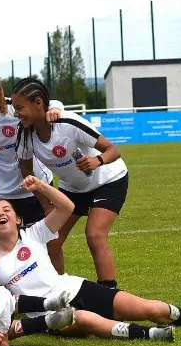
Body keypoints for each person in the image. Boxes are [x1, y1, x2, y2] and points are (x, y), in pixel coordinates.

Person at [0, 175, 181, 342]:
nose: (1, 214)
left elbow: (67, 208)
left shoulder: (33, 234)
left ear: (17, 219)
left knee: (151, 308)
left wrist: (41, 186)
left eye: (6, 210)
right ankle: (150, 334)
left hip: (75, 287)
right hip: (47, 314)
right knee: (85, 318)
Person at [12, 78, 129, 289]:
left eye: (20, 107)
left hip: (108, 179)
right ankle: (58, 292)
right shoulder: (25, 133)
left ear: (38, 103)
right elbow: (26, 170)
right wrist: (47, 203)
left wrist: (96, 161)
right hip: (73, 188)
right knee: (51, 240)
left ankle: (109, 293)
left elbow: (114, 150)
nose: (16, 113)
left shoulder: (66, 123)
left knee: (94, 234)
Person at [0, 71, 64, 226]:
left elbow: (53, 103)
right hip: (2, 190)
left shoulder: (14, 107)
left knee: (44, 242)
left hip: (36, 183)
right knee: (5, 243)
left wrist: (55, 110)